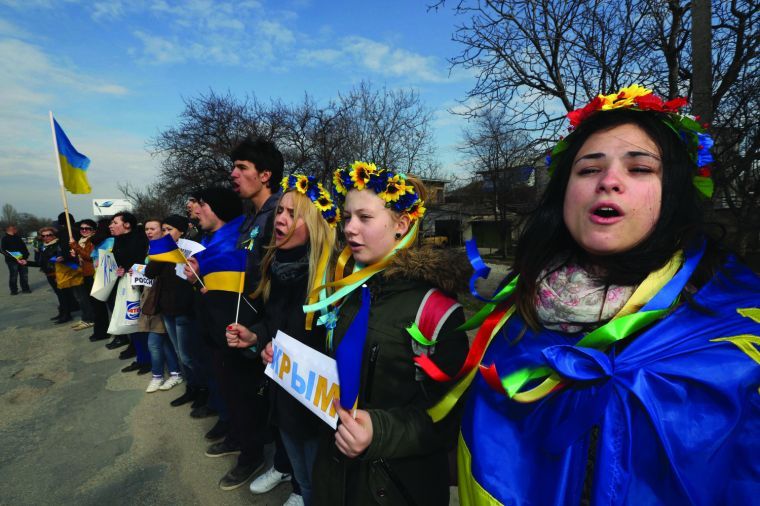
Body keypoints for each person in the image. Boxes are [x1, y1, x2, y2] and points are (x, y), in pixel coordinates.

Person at [446, 85, 760, 505]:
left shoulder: (739, 331)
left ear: (675, 192)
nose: (609, 181)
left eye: (640, 169)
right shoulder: (515, 318)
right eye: (588, 169)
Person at [308, 162, 471, 506]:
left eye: (364, 218)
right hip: (335, 476)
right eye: (347, 216)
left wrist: (378, 432)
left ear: (401, 225)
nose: (349, 228)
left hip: (395, 487)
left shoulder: (437, 310)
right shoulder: (347, 291)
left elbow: (448, 417)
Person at [227, 174, 338, 506]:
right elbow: (272, 323)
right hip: (283, 394)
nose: (281, 219)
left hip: (318, 405)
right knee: (300, 468)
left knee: (322, 475)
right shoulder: (276, 266)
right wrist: (255, 336)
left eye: (293, 213)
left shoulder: (333, 279)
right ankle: (300, 490)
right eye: (280, 211)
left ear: (316, 225)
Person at [228, 136, 298, 499]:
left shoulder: (277, 214)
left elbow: (282, 276)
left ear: (266, 174)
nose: (233, 175)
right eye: (234, 167)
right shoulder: (251, 218)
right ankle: (285, 464)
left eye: (242, 168)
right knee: (274, 401)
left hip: (281, 321)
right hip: (260, 323)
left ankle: (296, 474)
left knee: (289, 403)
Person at [184, 187, 267, 491]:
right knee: (230, 393)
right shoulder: (209, 243)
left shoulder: (237, 243)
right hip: (214, 332)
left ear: (216, 208)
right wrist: (197, 280)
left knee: (244, 397)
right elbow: (212, 291)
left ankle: (252, 455)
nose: (196, 211)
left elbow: (241, 292)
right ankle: (235, 435)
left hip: (236, 335)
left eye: (201, 205)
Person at [140, 217, 183, 393]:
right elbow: (148, 272)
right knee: (163, 342)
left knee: (155, 342)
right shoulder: (151, 248)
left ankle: (161, 375)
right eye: (146, 229)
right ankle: (173, 373)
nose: (149, 232)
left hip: (166, 302)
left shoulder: (169, 250)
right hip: (153, 300)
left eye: (153, 229)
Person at [108, 212, 150, 374]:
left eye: (114, 222)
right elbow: (122, 261)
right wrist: (121, 269)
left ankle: (149, 360)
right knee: (131, 323)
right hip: (125, 285)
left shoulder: (140, 238)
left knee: (140, 324)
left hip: (139, 287)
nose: (111, 226)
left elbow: (141, 262)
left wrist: (130, 268)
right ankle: (140, 358)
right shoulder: (118, 239)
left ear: (127, 225)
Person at [88, 218, 114, 342]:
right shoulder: (102, 241)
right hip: (99, 277)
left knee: (111, 308)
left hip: (107, 278)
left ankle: (116, 335)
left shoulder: (110, 241)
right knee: (105, 307)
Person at [68, 219, 97, 331]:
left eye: (87, 228)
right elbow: (82, 256)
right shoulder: (82, 240)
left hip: (91, 272)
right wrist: (75, 253)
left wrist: (76, 247)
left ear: (93, 230)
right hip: (82, 272)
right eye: (82, 228)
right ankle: (87, 318)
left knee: (90, 299)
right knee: (83, 298)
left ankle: (91, 319)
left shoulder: (92, 240)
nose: (84, 230)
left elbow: (89, 256)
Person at [1, 224, 31, 295]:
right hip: (12, 261)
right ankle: (14, 290)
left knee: (24, 275)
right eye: (15, 228)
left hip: (23, 259)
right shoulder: (4, 238)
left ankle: (25, 288)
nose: (16, 229)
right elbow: (2, 250)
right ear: (10, 229)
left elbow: (24, 247)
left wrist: (26, 255)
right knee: (13, 275)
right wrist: (14, 257)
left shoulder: (18, 238)